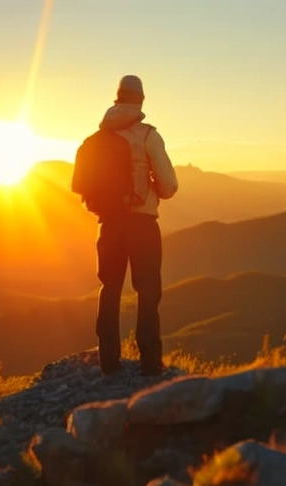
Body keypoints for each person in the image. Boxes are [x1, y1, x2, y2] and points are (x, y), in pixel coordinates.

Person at [95, 74, 178, 376]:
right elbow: (169, 185)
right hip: (142, 223)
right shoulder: (147, 136)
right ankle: (150, 362)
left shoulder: (100, 138)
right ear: (141, 100)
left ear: (116, 98)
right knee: (147, 290)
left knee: (110, 287)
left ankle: (108, 361)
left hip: (109, 224)